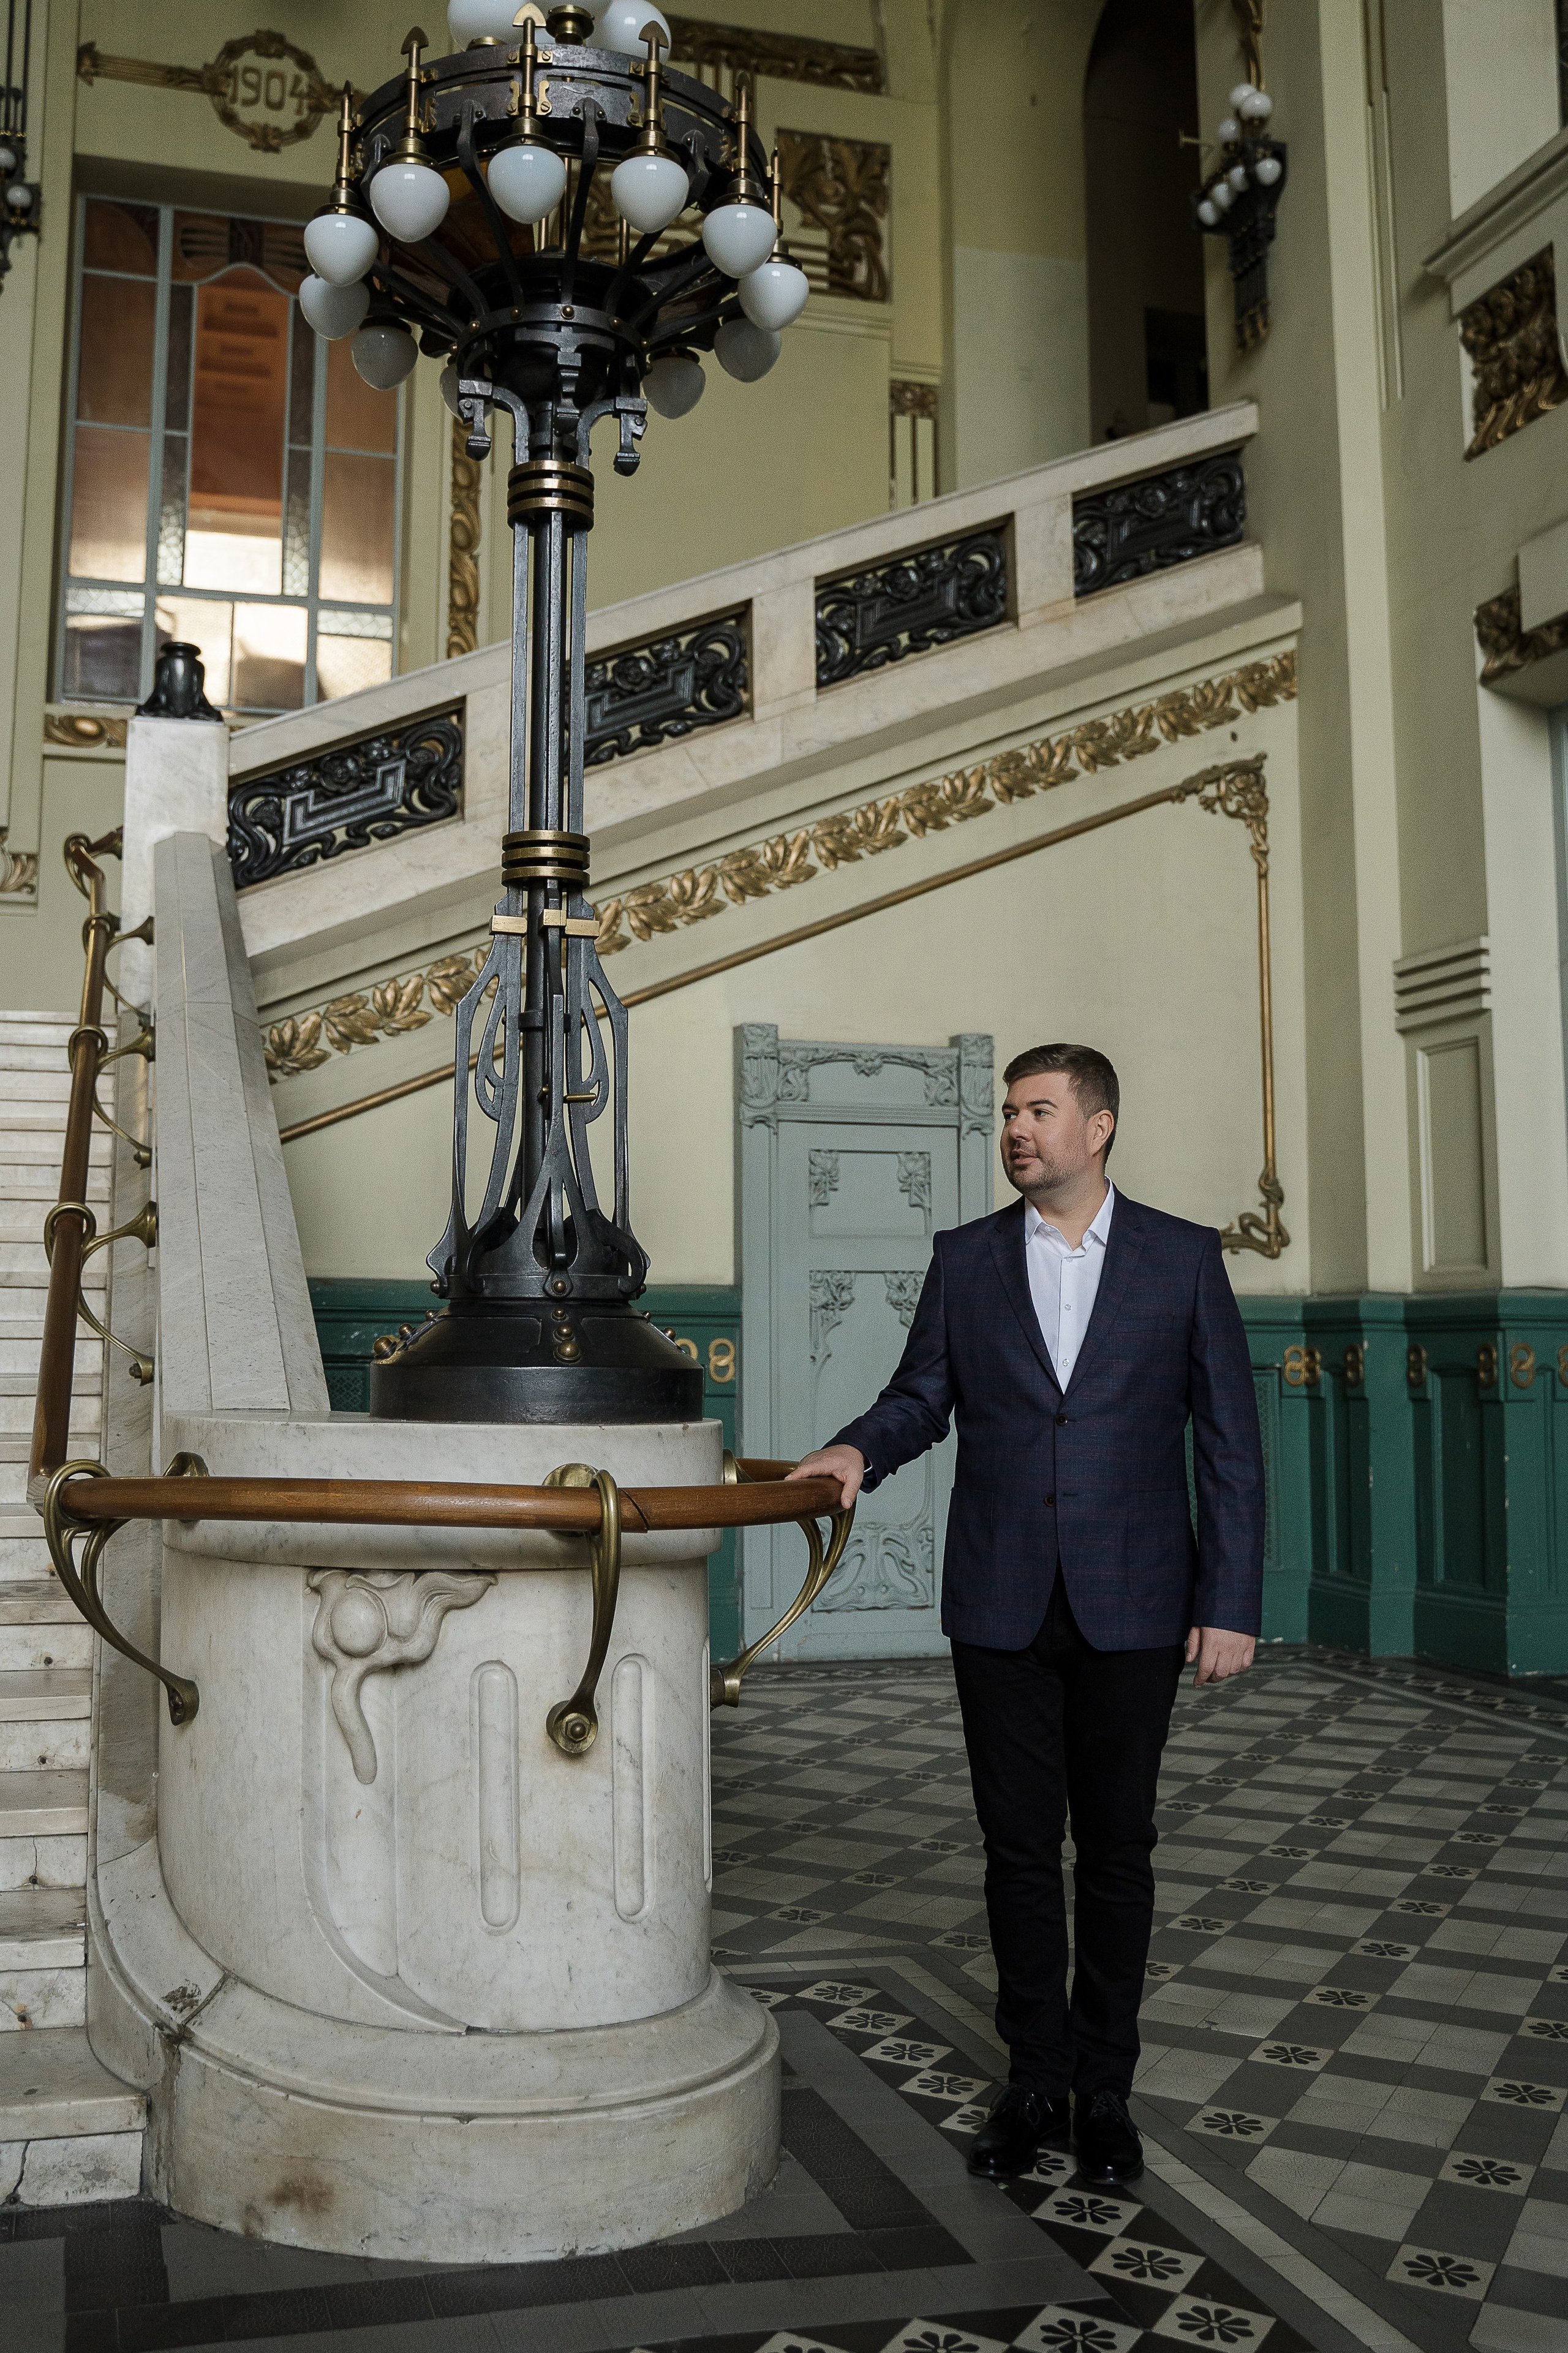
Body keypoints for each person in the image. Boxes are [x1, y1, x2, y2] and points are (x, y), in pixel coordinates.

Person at [789, 1043, 1264, 2188]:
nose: (1017, 1128)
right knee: (1014, 1853)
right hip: (1001, 1597)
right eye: (1010, 1111)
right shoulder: (966, 1258)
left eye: (1040, 1110)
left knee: (1115, 1851)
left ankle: (1105, 2092)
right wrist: (859, 1446)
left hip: (1139, 1598)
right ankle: (1034, 2080)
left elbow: (1232, 1447)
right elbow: (922, 1397)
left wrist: (1231, 1601)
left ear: (1098, 1127)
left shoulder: (1182, 1258)